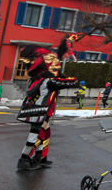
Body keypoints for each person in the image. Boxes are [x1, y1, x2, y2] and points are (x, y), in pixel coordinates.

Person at [15, 38, 80, 171]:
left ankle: (40, 158)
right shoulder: (47, 80)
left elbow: (60, 79)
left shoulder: (47, 79)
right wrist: (73, 79)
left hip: (44, 113)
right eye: (53, 63)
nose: (57, 65)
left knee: (44, 134)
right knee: (35, 135)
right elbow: (64, 82)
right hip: (39, 112)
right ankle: (24, 158)